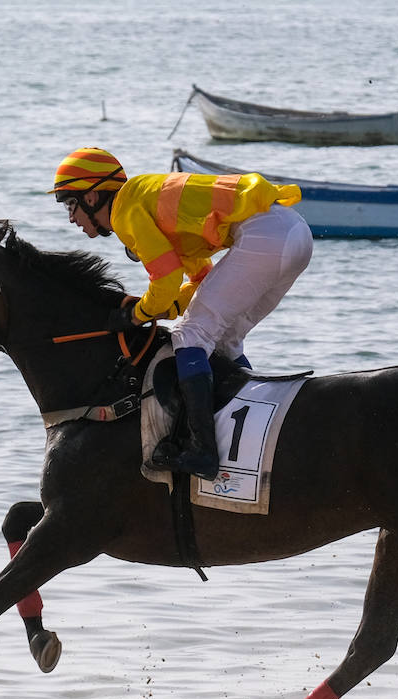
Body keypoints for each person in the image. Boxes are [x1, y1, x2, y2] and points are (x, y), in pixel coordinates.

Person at [50, 147, 313, 479]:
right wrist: (161, 307)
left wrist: (137, 314)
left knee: (189, 336)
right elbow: (199, 281)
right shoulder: (144, 200)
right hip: (293, 233)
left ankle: (204, 451)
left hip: (267, 235)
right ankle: (250, 430)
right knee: (226, 340)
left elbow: (166, 277)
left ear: (91, 197)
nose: (71, 218)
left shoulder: (126, 208)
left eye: (71, 205)